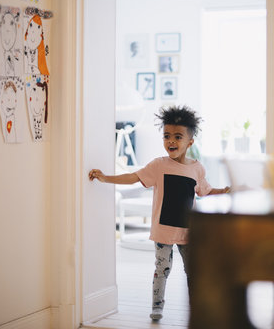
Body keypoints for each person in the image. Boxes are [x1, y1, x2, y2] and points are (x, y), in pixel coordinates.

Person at [89, 105, 229, 321]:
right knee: (161, 270)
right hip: (163, 231)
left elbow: (206, 191)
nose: (171, 141)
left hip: (187, 232)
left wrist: (226, 191)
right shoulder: (158, 165)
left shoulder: (197, 169)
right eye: (166, 136)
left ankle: (197, 309)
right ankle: (157, 307)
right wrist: (106, 178)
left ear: (190, 142)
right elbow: (133, 177)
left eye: (177, 136)